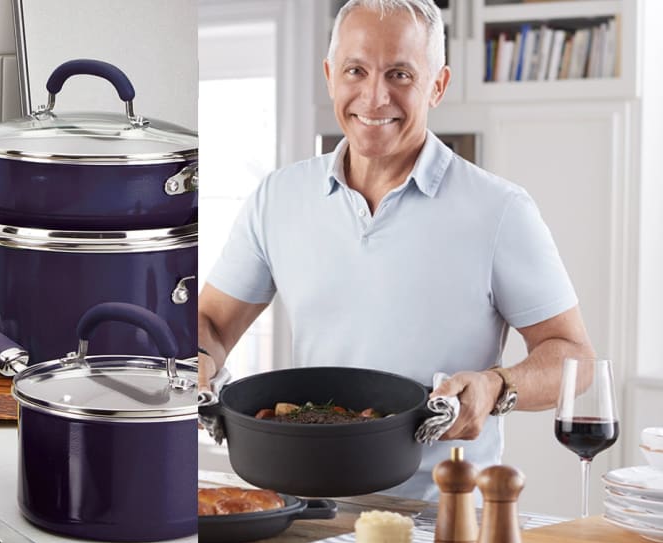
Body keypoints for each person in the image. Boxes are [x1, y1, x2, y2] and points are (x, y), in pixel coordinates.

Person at [197, 0, 595, 501]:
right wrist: (198, 363)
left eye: (401, 74)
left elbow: (572, 355)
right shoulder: (277, 198)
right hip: (306, 507)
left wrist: (497, 385)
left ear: (438, 85)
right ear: (329, 76)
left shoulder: (500, 210)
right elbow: (210, 323)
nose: (374, 96)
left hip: (443, 516)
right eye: (355, 70)